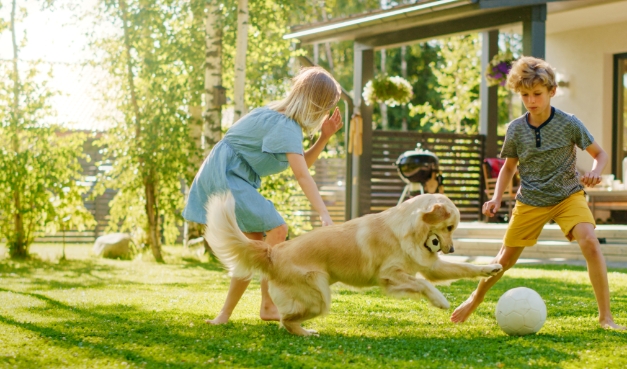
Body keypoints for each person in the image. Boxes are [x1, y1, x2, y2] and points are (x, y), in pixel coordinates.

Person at [450, 56, 625, 330]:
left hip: (568, 196)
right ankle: (475, 298)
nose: (531, 100)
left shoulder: (569, 123)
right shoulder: (516, 129)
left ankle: (606, 317)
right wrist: (497, 197)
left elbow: (600, 154)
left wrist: (595, 171)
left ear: (552, 91)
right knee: (503, 261)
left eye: (537, 94)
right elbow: (508, 169)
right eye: (525, 95)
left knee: (590, 241)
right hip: (530, 200)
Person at [182, 66, 343, 325]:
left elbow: (301, 166)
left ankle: (224, 316)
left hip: (226, 173)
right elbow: (302, 176)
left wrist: (323, 138)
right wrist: (324, 213)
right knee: (277, 227)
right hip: (227, 175)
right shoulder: (286, 126)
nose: (326, 113)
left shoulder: (281, 119)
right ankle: (268, 306)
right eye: (327, 106)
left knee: (254, 249)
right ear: (316, 103)